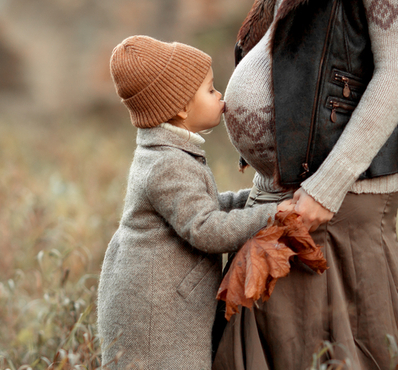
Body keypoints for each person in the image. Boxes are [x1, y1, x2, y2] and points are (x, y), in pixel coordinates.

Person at [214, 0, 398, 368]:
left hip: (332, 209)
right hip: (283, 201)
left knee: (336, 357)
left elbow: (394, 75)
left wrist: (326, 188)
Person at [96, 35, 294, 370]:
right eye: (211, 89)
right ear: (182, 107)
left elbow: (202, 207)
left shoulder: (167, 153)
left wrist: (252, 199)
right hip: (156, 315)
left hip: (161, 300)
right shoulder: (167, 165)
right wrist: (272, 214)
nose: (220, 96)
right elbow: (206, 229)